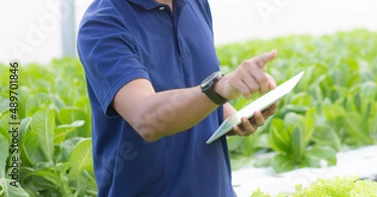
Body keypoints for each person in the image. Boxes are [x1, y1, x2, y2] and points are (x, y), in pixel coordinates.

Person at [77, 0, 278, 196]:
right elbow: (146, 119)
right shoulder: (103, 23)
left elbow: (197, 85)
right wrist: (219, 89)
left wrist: (234, 119)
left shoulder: (196, 4)